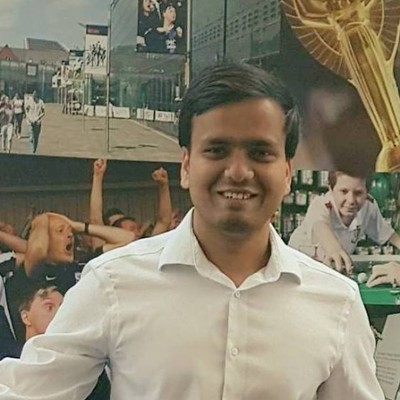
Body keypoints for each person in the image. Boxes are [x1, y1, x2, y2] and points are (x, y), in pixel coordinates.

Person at [0, 63, 384, 399]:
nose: (238, 171)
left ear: (287, 172)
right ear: (185, 166)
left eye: (260, 153)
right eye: (216, 150)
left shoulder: (337, 303)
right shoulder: (113, 283)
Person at [288, 171, 400, 273]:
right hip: (299, 264)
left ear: (367, 193)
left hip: (334, 267)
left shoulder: (368, 207)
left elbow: (388, 234)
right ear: (331, 189)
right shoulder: (320, 204)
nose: (351, 200)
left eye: (358, 193)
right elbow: (320, 226)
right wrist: (335, 250)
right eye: (344, 191)